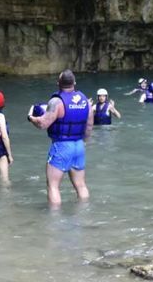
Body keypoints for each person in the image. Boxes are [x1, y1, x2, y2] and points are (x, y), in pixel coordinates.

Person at [27, 69, 93, 206]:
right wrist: (84, 142)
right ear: (74, 82)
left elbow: (43, 124)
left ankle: (55, 221)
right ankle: (84, 213)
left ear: (58, 84)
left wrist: (31, 118)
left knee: (53, 186)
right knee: (81, 185)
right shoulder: (85, 101)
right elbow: (89, 126)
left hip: (62, 146)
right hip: (79, 145)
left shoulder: (56, 102)